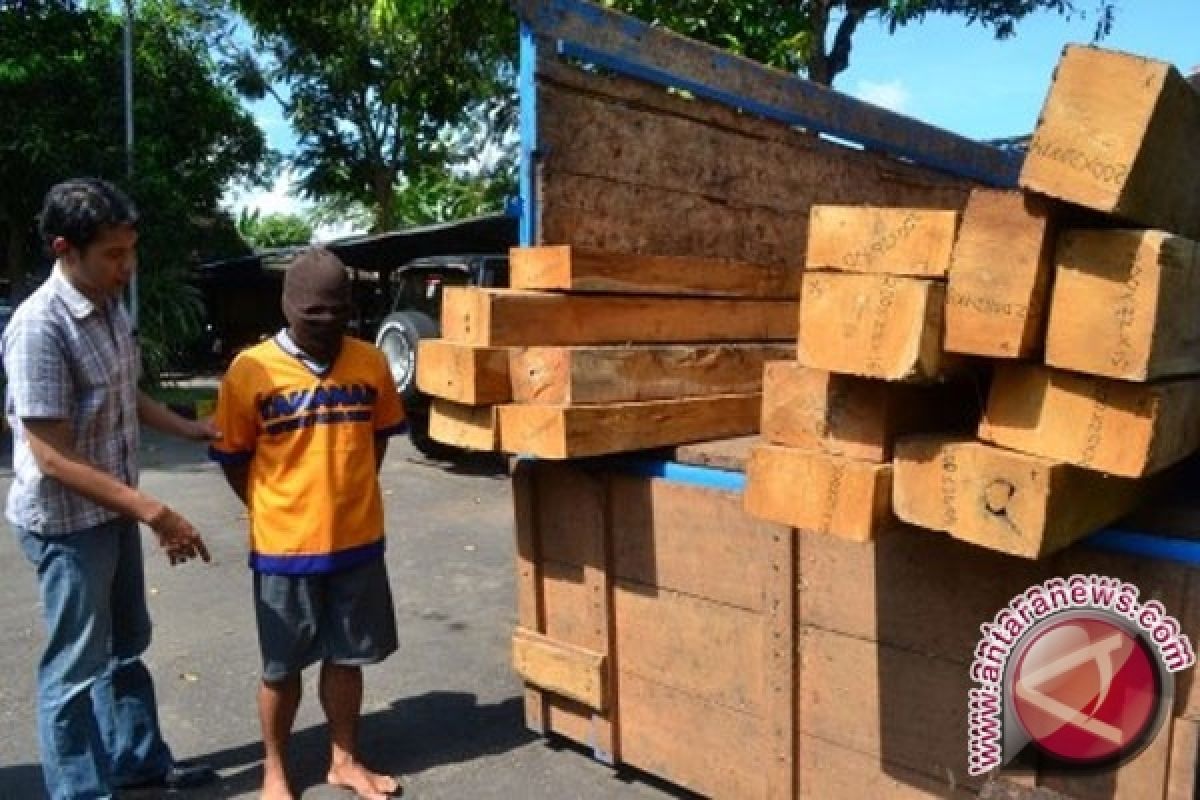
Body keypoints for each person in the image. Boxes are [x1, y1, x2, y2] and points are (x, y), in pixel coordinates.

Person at [3, 178, 218, 799]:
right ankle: (81, 791)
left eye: (132, 252)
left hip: (113, 510)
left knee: (127, 648)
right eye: (115, 255)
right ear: (65, 248)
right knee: (73, 671)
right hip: (67, 527)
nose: (128, 268)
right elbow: (49, 456)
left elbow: (126, 394)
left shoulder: (109, 304)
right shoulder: (39, 328)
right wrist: (154, 511)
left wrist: (190, 428)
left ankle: (140, 764)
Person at [209, 248, 407, 800]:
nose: (326, 327)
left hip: (358, 543)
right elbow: (233, 458)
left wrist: (345, 495)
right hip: (283, 550)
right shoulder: (251, 370)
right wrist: (276, 505)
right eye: (312, 316)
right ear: (288, 308)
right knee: (281, 667)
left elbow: (378, 438)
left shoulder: (371, 363)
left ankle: (344, 760)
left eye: (338, 314)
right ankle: (274, 771)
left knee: (348, 657)